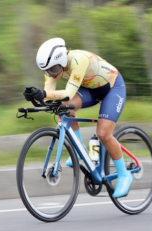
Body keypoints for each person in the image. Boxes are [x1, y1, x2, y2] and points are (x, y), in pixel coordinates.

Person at [23, 37, 132, 198]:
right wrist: (35, 96)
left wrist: (44, 93)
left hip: (112, 88)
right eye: (47, 71)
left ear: (61, 60)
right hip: (91, 88)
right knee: (65, 109)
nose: (51, 74)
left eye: (53, 70)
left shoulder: (78, 59)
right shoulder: (52, 67)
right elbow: (48, 97)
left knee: (103, 134)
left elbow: (67, 94)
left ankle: (124, 174)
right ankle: (79, 150)